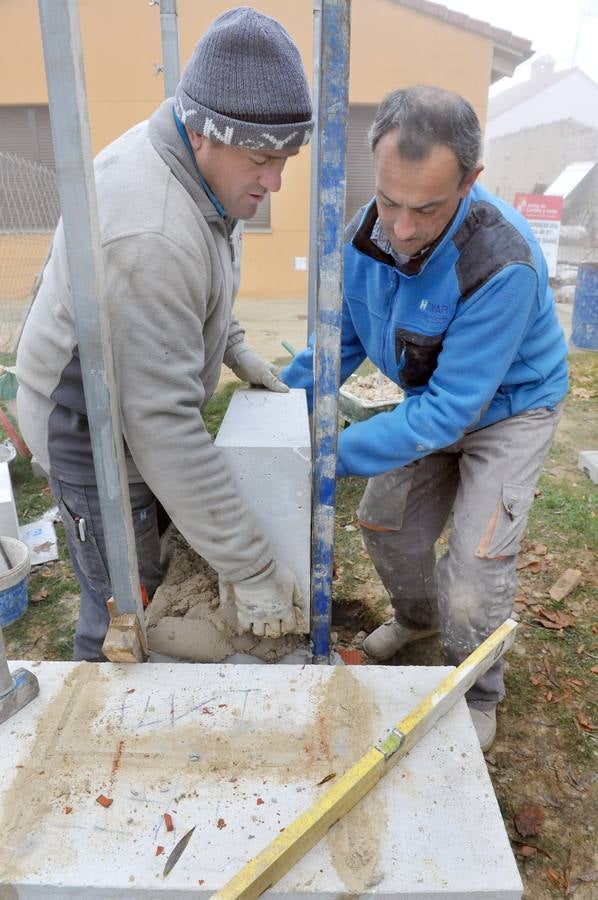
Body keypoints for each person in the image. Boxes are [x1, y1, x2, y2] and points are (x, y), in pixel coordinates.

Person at [16, 7, 313, 661]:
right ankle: (100, 697)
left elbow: (203, 279)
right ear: (204, 133)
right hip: (85, 430)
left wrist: (232, 344)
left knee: (156, 548)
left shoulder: (202, 172)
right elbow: (163, 426)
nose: (275, 181)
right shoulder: (148, 229)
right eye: (263, 159)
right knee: (126, 600)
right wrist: (254, 570)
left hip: (131, 403)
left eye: (286, 159)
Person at [282, 85, 568, 751]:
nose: (402, 229)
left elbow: (449, 414)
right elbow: (336, 347)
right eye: (390, 201)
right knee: (384, 523)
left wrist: (329, 454)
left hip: (509, 410)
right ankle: (419, 620)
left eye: (427, 209)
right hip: (434, 399)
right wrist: (280, 411)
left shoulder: (502, 263)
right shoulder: (363, 237)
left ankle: (477, 689)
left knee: (474, 567)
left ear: (470, 181)